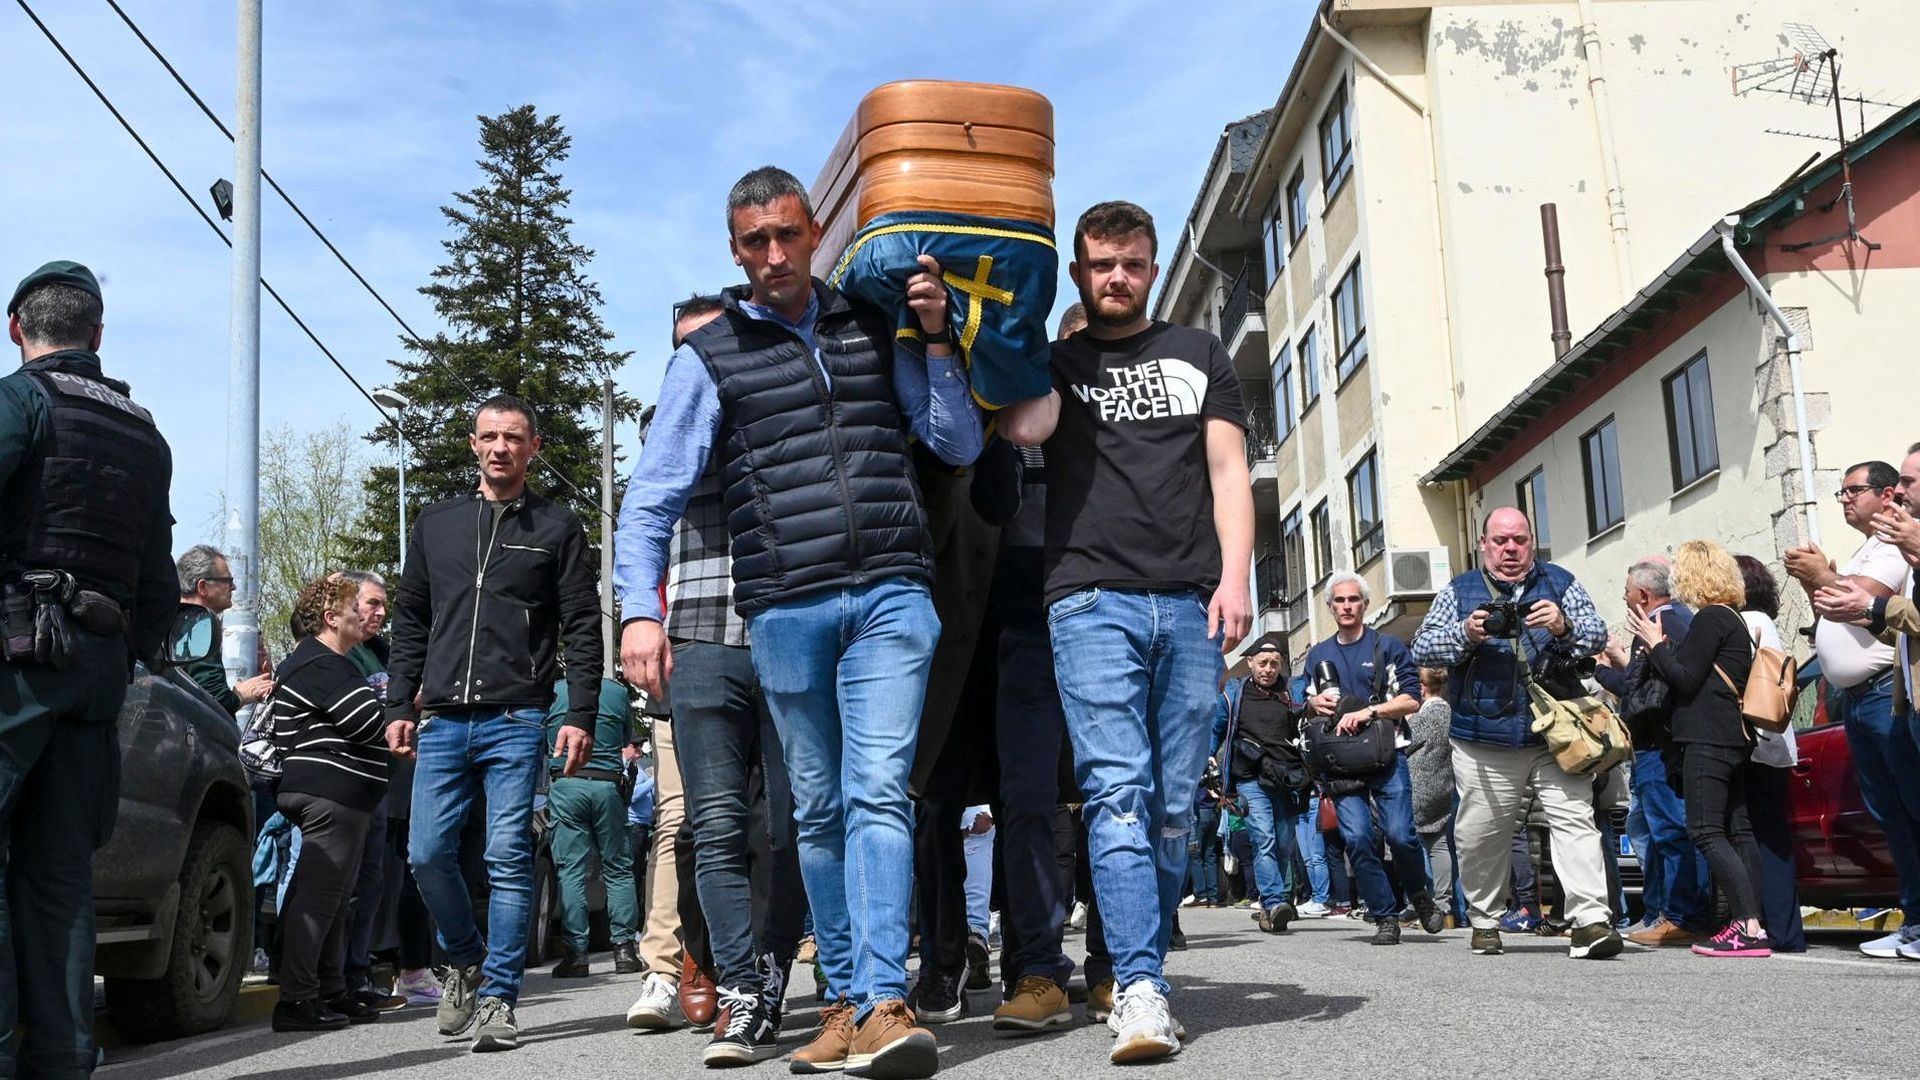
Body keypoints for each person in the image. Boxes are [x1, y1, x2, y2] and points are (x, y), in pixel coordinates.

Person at [617, 166, 981, 1077]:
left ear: (816, 232)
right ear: (734, 250)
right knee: (815, 809)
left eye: (788, 234)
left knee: (877, 789)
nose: (775, 254)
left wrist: (939, 340)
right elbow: (652, 494)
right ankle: (847, 1001)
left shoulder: (874, 321)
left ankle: (883, 999)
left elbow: (955, 440)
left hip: (892, 590)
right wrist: (638, 613)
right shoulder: (708, 357)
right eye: (756, 241)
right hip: (783, 606)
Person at [998, 200, 1252, 1064]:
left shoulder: (1200, 353)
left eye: (1132, 263)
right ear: (1079, 273)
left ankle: (1142, 962)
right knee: (1116, 791)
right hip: (1088, 598)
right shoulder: (1056, 362)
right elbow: (1024, 427)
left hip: (1189, 600)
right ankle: (1139, 987)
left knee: (1174, 806)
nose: (1117, 277)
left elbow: (1229, 470)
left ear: (1151, 268)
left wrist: (1237, 578)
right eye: (1102, 264)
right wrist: (1020, 328)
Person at [384, 394, 604, 1052]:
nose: (500, 447)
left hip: (517, 714)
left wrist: (580, 712)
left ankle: (500, 998)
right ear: (473, 444)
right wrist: (398, 704)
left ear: (534, 447)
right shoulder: (437, 523)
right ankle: (465, 958)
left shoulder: (557, 527)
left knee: (507, 856)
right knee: (426, 855)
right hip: (443, 719)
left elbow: (583, 626)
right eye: (489, 436)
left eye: (513, 437)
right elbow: (410, 620)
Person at [0, 261, 176, 1077]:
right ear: (97, 335)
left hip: (15, 668)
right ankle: (66, 1060)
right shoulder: (144, 431)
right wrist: (123, 658)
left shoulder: (19, 401)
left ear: (16, 328)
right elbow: (157, 582)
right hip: (97, 674)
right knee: (60, 875)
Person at [1410, 508, 1618, 959]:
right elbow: (1423, 648)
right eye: (1500, 541)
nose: (1510, 549)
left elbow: (1598, 636)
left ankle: (1591, 921)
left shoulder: (1560, 582)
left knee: (1576, 823)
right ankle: (1485, 919)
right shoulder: (1460, 590)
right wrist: (1466, 632)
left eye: (1519, 540)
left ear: (1531, 542)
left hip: (1555, 734)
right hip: (1484, 737)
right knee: (1481, 835)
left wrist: (1563, 626)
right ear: (1483, 544)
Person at [1785, 459, 1917, 959]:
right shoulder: (1866, 548)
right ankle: (1914, 919)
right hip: (1860, 700)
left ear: (1885, 496)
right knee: (1890, 813)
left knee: (1910, 808)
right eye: (1840, 492)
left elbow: (1869, 604)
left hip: (1884, 693)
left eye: (1853, 490)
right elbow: (1833, 610)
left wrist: (1823, 574)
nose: (1844, 499)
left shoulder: (1892, 547)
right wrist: (1814, 580)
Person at [1627, 541, 1769, 957]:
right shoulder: (1732, 618)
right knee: (1738, 830)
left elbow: (1685, 679)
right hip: (1732, 736)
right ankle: (1753, 922)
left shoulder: (1710, 618)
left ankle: (1746, 926)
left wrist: (1656, 645)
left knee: (1705, 830)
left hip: (1707, 737)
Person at [269, 577, 393, 1029]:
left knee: (334, 898)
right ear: (330, 619)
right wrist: (401, 707)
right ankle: (297, 999)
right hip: (329, 793)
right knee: (321, 898)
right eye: (353, 609)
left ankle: (330, 990)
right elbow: (366, 723)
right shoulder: (323, 664)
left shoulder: (321, 662)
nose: (362, 616)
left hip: (338, 795)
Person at [1302, 573, 1440, 945]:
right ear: (1330, 607)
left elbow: (1411, 700)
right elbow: (1305, 706)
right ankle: (1385, 917)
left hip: (1387, 754)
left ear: (1364, 604)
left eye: (1353, 600)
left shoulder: (1387, 646)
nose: (1347, 606)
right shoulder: (1318, 655)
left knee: (1400, 835)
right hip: (1341, 761)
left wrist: (1369, 712)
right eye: (1340, 601)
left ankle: (1419, 894)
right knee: (1358, 838)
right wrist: (1313, 703)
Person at [1593, 557, 1707, 946]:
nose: (1624, 598)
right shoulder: (1678, 620)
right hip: (1660, 746)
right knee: (1655, 832)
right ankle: (1667, 912)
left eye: (1627, 591)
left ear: (1643, 594)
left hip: (1658, 746)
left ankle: (1681, 916)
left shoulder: (1664, 624)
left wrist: (1599, 669)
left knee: (1670, 833)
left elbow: (1638, 688)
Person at [330, 570, 408, 1012]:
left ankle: (356, 976)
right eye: (372, 603)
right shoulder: (336, 651)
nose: (381, 613)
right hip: (343, 783)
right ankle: (326, 980)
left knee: (369, 883)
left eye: (383, 605)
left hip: (379, 784)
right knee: (339, 885)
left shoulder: (380, 653)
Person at [545, 676, 642, 979]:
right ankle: (625, 950)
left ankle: (576, 954)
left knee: (570, 870)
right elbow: (625, 738)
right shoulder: (617, 692)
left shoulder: (553, 691)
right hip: (607, 786)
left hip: (567, 783)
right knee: (619, 868)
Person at [1210, 635, 1305, 935]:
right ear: (1250, 662)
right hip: (1250, 778)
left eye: (1274, 663)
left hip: (1287, 777)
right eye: (1262, 663)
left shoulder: (1293, 690)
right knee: (1264, 839)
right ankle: (1275, 902)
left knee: (1284, 844)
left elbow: (1310, 716)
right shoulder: (1234, 694)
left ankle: (1276, 903)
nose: (1268, 669)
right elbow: (1216, 730)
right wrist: (1207, 759)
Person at [1734, 554, 1804, 952]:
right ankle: (1785, 929)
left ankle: (1771, 928)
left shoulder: (1748, 622)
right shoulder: (1766, 621)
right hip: (1774, 742)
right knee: (1772, 835)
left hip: (1756, 742)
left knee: (1761, 837)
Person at [174, 544, 274, 714]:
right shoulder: (198, 626)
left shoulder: (175, 620)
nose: (233, 587)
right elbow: (215, 703)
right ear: (203, 587)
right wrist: (241, 695)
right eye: (228, 581)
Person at [1405, 667, 1458, 925]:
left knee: (1412, 843)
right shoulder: (1449, 712)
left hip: (1418, 784)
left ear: (1422, 688)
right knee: (1438, 842)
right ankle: (1444, 905)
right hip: (1443, 783)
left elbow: (1403, 742)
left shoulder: (1426, 715)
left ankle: (1420, 903)